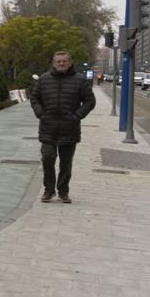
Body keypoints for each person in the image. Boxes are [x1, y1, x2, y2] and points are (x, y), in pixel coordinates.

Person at [30, 50, 95, 203]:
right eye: (58, 61)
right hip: (48, 127)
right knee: (48, 157)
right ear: (53, 63)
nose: (61, 63)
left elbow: (90, 101)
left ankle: (63, 191)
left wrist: (77, 116)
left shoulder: (79, 80)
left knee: (66, 163)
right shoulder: (44, 79)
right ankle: (49, 190)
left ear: (70, 62)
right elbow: (34, 98)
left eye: (64, 61)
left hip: (69, 128)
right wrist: (41, 114)